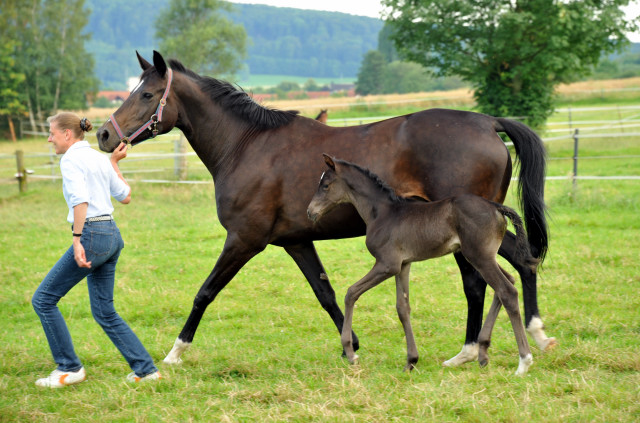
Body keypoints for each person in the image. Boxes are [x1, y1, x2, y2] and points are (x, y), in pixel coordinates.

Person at [32, 112, 161, 388]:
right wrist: (114, 163)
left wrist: (77, 239)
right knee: (104, 311)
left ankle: (69, 368)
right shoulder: (98, 159)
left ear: (67, 134)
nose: (49, 138)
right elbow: (125, 196)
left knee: (43, 299)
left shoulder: (70, 160)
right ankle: (146, 370)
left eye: (52, 133)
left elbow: (81, 201)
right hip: (112, 235)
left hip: (91, 235)